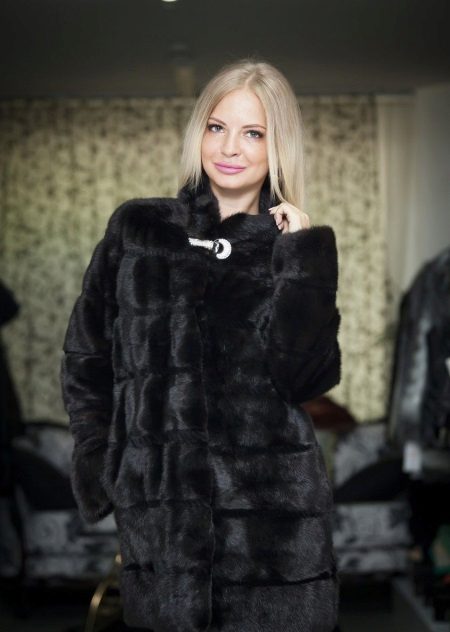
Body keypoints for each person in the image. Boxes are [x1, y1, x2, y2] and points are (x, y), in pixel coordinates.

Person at [60, 58, 342, 632]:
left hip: (275, 522)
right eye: (217, 127)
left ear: (278, 146)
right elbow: (87, 358)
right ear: (199, 132)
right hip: (161, 519)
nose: (230, 147)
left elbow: (306, 378)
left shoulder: (290, 250)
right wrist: (105, 464)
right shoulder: (139, 231)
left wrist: (303, 261)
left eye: (253, 132)